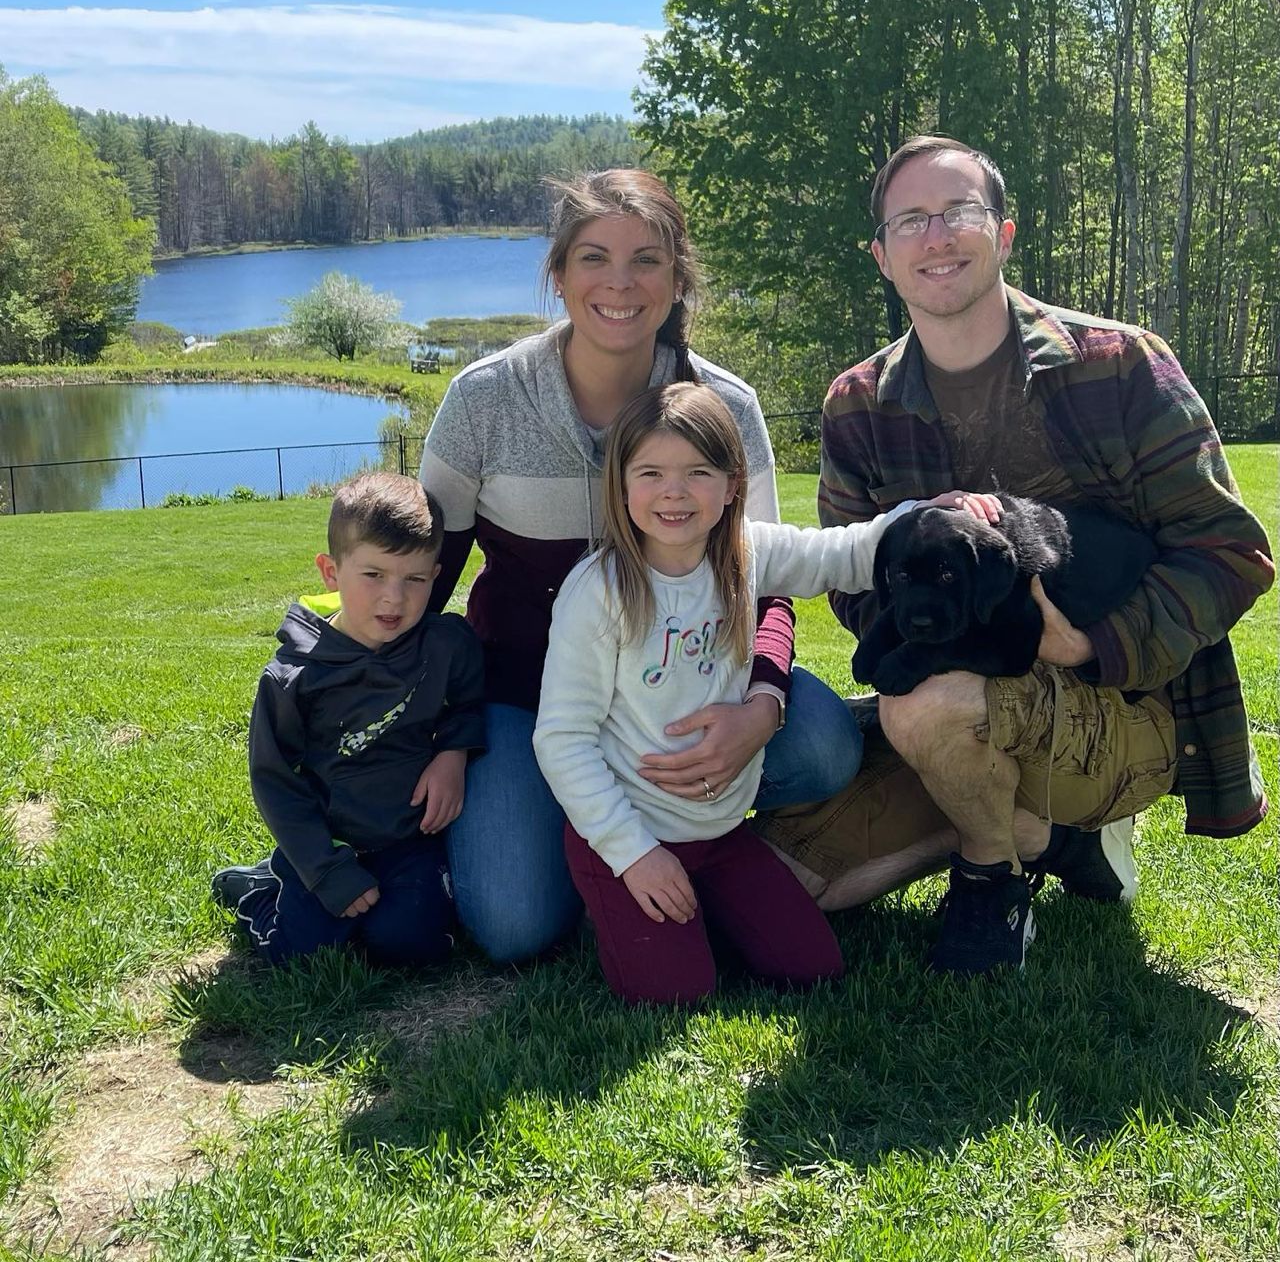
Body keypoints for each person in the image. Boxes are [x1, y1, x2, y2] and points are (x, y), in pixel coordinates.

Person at [757, 135, 1274, 977]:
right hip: (964, 693)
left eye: (959, 211)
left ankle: (991, 878)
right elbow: (858, 585)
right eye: (911, 220)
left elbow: (1231, 551)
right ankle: (1051, 834)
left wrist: (1084, 645)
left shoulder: (1122, 364)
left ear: (1002, 233)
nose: (937, 236)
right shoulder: (858, 404)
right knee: (793, 879)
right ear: (882, 257)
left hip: (1121, 700)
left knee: (926, 710)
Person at [417, 169, 868, 965]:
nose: (619, 284)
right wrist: (425, 738)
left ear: (678, 277)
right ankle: (587, 842)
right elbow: (425, 587)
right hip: (534, 703)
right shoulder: (483, 400)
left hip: (691, 693)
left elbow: (760, 578)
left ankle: (700, 848)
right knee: (515, 926)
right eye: (593, 258)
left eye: (647, 260)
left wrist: (761, 703)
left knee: (824, 744)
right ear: (558, 275)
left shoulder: (725, 406)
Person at [532, 382, 1000, 1003]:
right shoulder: (599, 592)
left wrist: (925, 514)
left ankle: (696, 908)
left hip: (721, 831)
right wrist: (633, 854)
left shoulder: (746, 552)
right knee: (678, 992)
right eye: (650, 473)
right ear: (620, 485)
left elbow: (845, 553)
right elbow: (562, 740)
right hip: (631, 832)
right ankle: (619, 899)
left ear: (731, 486)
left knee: (811, 966)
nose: (674, 492)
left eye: (698, 472)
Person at [211, 473, 485, 967]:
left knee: (411, 944)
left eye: (415, 579)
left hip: (408, 841)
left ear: (437, 575)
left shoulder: (446, 644)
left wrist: (453, 753)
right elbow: (275, 782)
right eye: (373, 575)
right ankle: (259, 889)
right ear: (331, 572)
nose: (393, 599)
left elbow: (468, 703)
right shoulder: (293, 677)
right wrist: (323, 869)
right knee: (302, 954)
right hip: (329, 843)